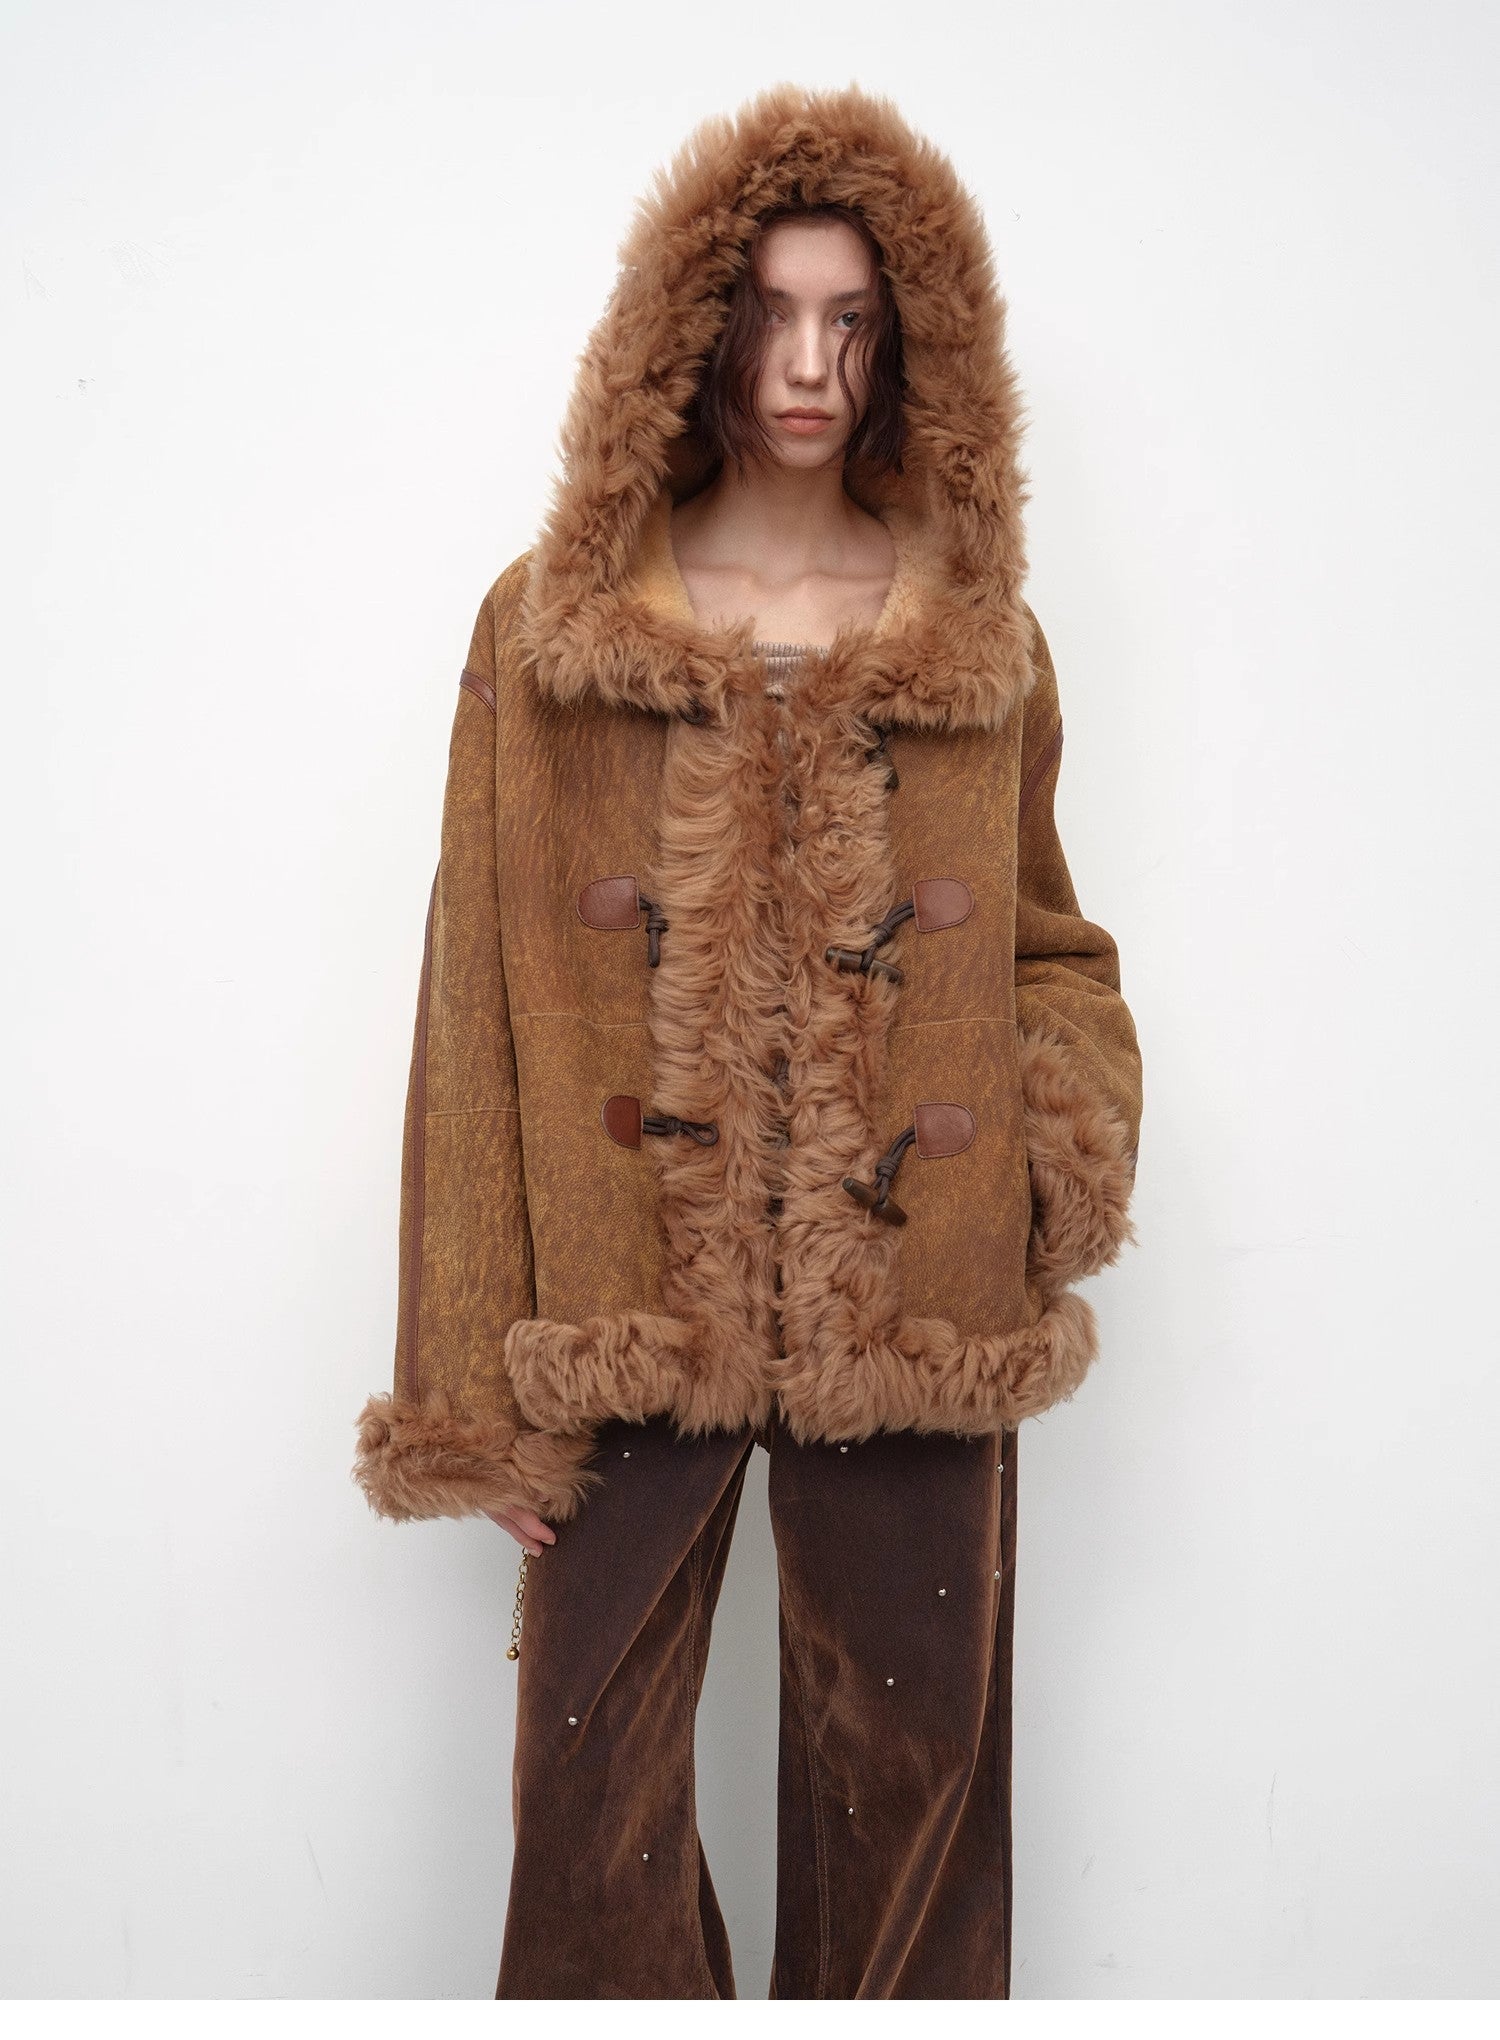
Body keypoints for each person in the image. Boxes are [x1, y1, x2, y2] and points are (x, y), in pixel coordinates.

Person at [351, 82, 1143, 2000]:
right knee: (588, 1806)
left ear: (909, 344)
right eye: (772, 314)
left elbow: (1047, 939)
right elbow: (471, 1004)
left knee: (913, 1803)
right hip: (625, 1292)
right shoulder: (548, 632)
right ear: (692, 332)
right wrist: (469, 1380)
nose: (807, 366)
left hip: (916, 1296)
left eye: (852, 320)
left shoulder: (979, 637)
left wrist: (1054, 1156)